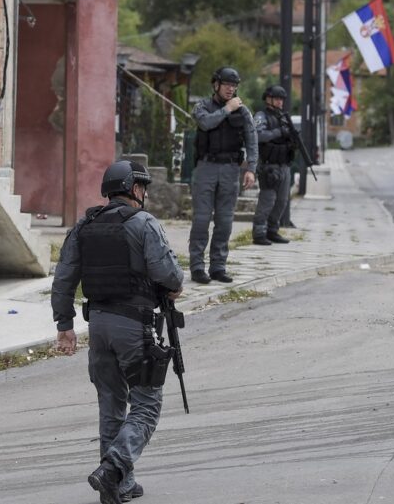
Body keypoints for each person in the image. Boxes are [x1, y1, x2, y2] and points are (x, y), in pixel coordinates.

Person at [52, 160, 184, 504]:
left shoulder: (84, 225)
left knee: (110, 405)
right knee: (146, 406)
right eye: (143, 188)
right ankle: (113, 469)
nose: (145, 194)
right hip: (133, 326)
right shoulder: (143, 223)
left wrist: (64, 325)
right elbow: (169, 275)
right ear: (134, 189)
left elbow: (63, 279)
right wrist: (173, 286)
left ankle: (120, 486)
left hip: (98, 326)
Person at [187, 67, 258, 284]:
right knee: (201, 220)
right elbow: (206, 123)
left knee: (225, 221)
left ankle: (218, 266)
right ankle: (197, 267)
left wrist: (251, 169)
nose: (231, 88)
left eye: (234, 85)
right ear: (216, 85)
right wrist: (227, 109)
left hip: (230, 170)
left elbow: (252, 140)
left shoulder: (243, 111)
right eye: (227, 84)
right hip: (206, 168)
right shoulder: (202, 106)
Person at [252, 85, 295, 245]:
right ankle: (259, 233)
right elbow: (259, 135)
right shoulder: (262, 116)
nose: (280, 102)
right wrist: (279, 132)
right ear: (268, 99)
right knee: (267, 199)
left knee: (282, 200)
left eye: (281, 99)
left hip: (284, 164)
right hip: (269, 165)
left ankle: (272, 230)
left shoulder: (283, 117)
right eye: (277, 98)